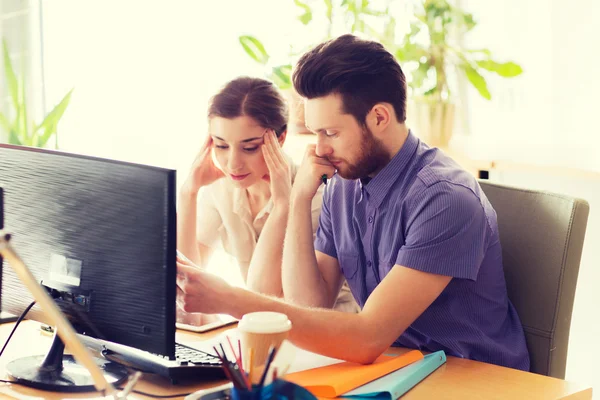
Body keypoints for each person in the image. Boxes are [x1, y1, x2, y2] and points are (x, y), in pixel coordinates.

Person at [176, 35, 530, 370]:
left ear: (379, 117)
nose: (320, 148)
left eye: (330, 133)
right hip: (396, 366)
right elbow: (308, 307)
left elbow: (367, 337)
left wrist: (230, 299)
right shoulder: (343, 185)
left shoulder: (444, 198)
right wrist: (299, 198)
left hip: (471, 376)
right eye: (315, 133)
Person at [177, 76, 358, 326]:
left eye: (249, 148)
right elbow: (184, 287)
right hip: (263, 327)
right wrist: (189, 192)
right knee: (192, 320)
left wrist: (284, 204)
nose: (233, 163)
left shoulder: (315, 195)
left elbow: (264, 295)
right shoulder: (223, 189)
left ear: (280, 139)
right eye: (221, 145)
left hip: (324, 331)